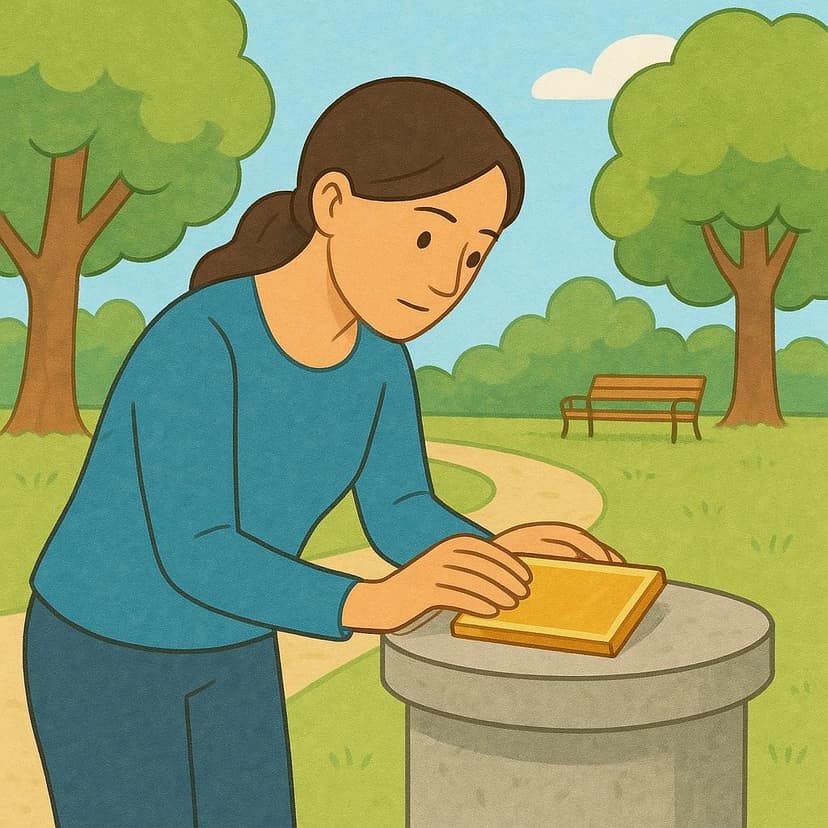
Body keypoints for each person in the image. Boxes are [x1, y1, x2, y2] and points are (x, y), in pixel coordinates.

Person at [23, 77, 622, 827]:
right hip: (103, 649)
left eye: (474, 257)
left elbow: (400, 508)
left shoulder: (377, 361)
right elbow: (198, 549)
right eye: (428, 235)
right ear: (333, 203)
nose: (446, 281)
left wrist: (489, 552)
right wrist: (370, 602)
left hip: (235, 642)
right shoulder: (198, 342)